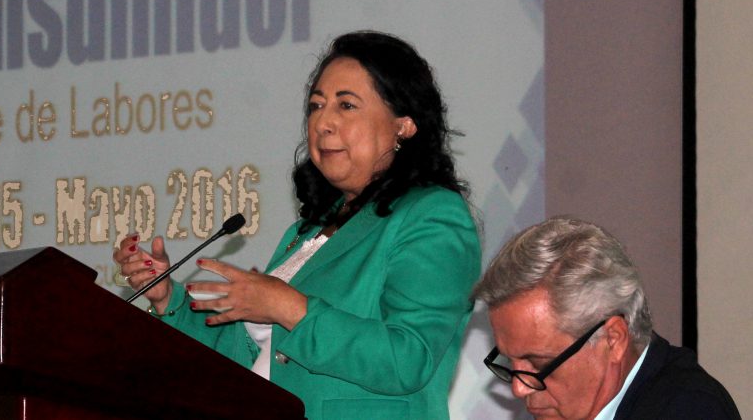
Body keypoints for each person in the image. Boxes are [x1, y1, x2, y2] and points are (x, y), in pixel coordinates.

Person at [113, 31, 481, 419]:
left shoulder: (432, 215)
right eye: (316, 106)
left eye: (346, 105)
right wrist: (167, 298)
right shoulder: (308, 231)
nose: (323, 122)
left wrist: (291, 308)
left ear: (403, 125)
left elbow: (408, 359)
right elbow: (251, 354)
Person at [472, 217, 740, 420]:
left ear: (613, 339)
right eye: (510, 362)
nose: (519, 389)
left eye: (539, 364)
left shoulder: (689, 411)